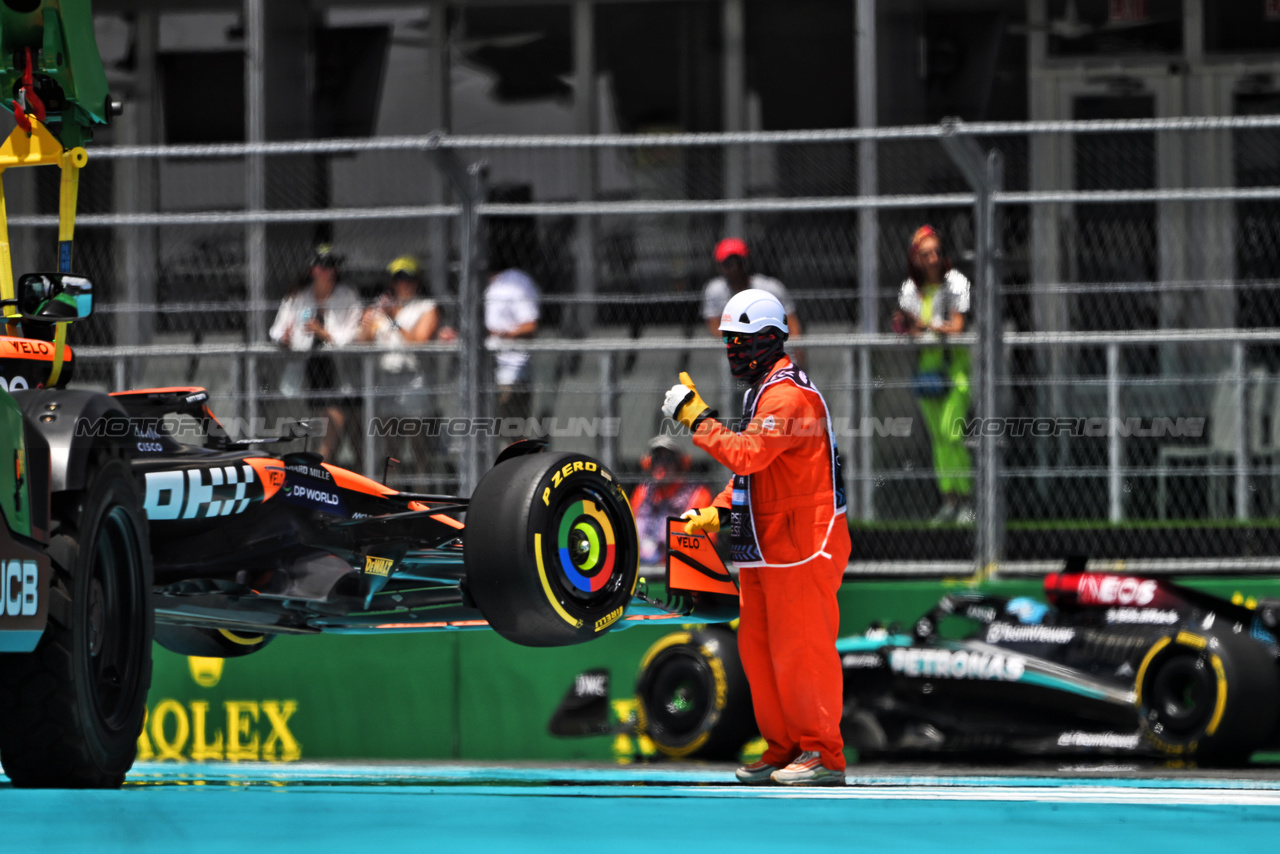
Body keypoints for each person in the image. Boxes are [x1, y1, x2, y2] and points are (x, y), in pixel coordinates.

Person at [662, 288, 851, 787]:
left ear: (771, 340)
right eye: (728, 341)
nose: (732, 351)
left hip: (803, 544)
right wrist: (716, 511)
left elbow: (748, 454)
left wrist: (697, 420)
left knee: (802, 650)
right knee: (760, 651)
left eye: (740, 341)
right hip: (766, 545)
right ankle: (783, 746)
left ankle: (822, 753)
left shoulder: (788, 396)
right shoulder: (762, 391)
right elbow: (753, 476)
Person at [891, 225, 973, 525]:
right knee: (938, 439)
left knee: (953, 435)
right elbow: (912, 330)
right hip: (927, 371)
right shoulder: (910, 290)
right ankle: (949, 500)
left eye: (937, 252)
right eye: (926, 254)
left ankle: (967, 501)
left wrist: (926, 326)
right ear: (916, 258)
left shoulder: (955, 283)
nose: (934, 259)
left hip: (955, 371)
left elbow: (957, 326)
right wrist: (906, 325)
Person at [269, 244, 362, 461]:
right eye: (321, 266)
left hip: (345, 365)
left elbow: (353, 334)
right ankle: (324, 464)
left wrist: (324, 332)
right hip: (314, 366)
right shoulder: (298, 296)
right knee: (331, 419)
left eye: (331, 266)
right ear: (313, 270)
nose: (326, 271)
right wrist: (284, 337)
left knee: (355, 429)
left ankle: (349, 474)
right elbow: (277, 330)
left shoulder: (347, 295)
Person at [358, 254, 441, 472]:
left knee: (417, 444)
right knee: (392, 448)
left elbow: (419, 341)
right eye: (398, 278)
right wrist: (368, 320)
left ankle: (422, 493)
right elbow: (363, 341)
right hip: (387, 381)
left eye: (409, 278)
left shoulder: (425, 307)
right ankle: (392, 494)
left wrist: (394, 318)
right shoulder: (382, 307)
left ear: (417, 281)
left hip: (413, 381)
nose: (403, 284)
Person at [701, 237, 803, 366]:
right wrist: (746, 342)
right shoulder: (715, 291)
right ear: (719, 265)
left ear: (746, 261)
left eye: (738, 261)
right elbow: (715, 328)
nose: (734, 267)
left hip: (775, 356)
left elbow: (792, 324)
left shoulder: (770, 288)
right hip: (738, 358)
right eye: (727, 263)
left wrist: (797, 353)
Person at [629, 435, 713, 567]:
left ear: (680, 464)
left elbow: (704, 543)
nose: (661, 465)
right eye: (657, 459)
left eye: (668, 459)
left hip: (680, 569)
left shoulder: (697, 494)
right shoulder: (642, 491)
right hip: (641, 567)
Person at [484, 264, 540, 428]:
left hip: (512, 370)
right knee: (486, 426)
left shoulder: (516, 281)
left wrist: (500, 334)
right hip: (485, 369)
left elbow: (530, 326)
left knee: (511, 426)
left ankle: (519, 454)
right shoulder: (482, 285)